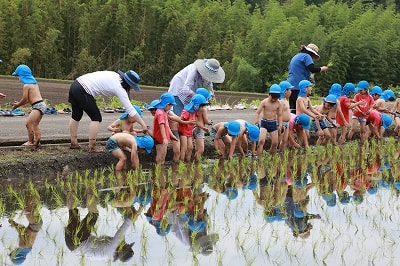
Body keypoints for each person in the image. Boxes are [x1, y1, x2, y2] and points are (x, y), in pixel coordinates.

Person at [68, 69, 148, 152]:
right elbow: (131, 110)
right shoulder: (119, 88)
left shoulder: (115, 76)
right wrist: (143, 124)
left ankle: (74, 143)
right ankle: (92, 147)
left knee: (76, 115)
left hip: (75, 84)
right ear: (128, 84)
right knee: (96, 118)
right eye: (131, 87)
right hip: (83, 89)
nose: (131, 88)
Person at [11, 64, 47, 147]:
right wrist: (19, 104)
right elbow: (28, 100)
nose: (18, 78)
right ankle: (37, 141)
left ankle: (30, 141)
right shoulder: (34, 83)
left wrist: (17, 105)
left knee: (28, 124)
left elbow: (24, 99)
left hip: (37, 106)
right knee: (35, 124)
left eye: (18, 76)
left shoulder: (26, 86)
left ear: (22, 76)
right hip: (41, 104)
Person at [287, 44, 328, 113]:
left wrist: (308, 77)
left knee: (293, 108)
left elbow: (298, 70)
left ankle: (292, 123)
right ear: (312, 53)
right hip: (299, 86)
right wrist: (322, 68)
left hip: (291, 85)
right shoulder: (307, 56)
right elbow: (312, 69)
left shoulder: (297, 56)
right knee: (300, 109)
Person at [8, 190, 42, 265]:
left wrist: (14, 224)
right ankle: (30, 186)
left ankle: (35, 186)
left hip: (36, 225)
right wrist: (13, 223)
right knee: (28, 207)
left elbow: (23, 230)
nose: (13, 250)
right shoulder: (22, 246)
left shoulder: (28, 249)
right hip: (34, 225)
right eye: (12, 253)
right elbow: (22, 229)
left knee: (31, 206)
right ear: (16, 255)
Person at [179, 94, 209, 162]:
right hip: (183, 132)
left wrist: (203, 128)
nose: (202, 108)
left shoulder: (194, 112)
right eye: (201, 106)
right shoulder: (186, 111)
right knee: (184, 148)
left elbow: (196, 122)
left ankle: (188, 162)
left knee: (190, 148)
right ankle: (181, 163)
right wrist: (188, 122)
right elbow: (180, 121)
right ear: (196, 105)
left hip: (189, 132)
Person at [254, 84, 283, 156]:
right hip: (264, 123)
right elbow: (257, 113)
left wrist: (280, 125)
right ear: (268, 94)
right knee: (261, 141)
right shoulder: (264, 102)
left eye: (275, 98)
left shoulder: (279, 104)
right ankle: (259, 157)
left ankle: (271, 156)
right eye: (272, 97)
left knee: (275, 143)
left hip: (273, 123)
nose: (273, 100)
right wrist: (256, 122)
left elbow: (279, 115)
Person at [152, 92, 179, 164]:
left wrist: (172, 135)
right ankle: (158, 170)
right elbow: (162, 126)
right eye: (171, 105)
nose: (171, 107)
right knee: (160, 155)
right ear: (167, 104)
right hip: (160, 138)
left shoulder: (164, 112)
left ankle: (161, 171)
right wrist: (164, 138)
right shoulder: (160, 113)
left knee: (163, 155)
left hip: (164, 138)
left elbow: (166, 126)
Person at [278, 81, 294, 151]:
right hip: (282, 123)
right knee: (279, 140)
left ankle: (282, 153)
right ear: (285, 91)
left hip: (287, 123)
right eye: (290, 90)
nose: (291, 92)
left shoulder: (286, 100)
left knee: (285, 140)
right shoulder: (281, 101)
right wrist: (280, 124)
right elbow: (279, 114)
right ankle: (275, 153)